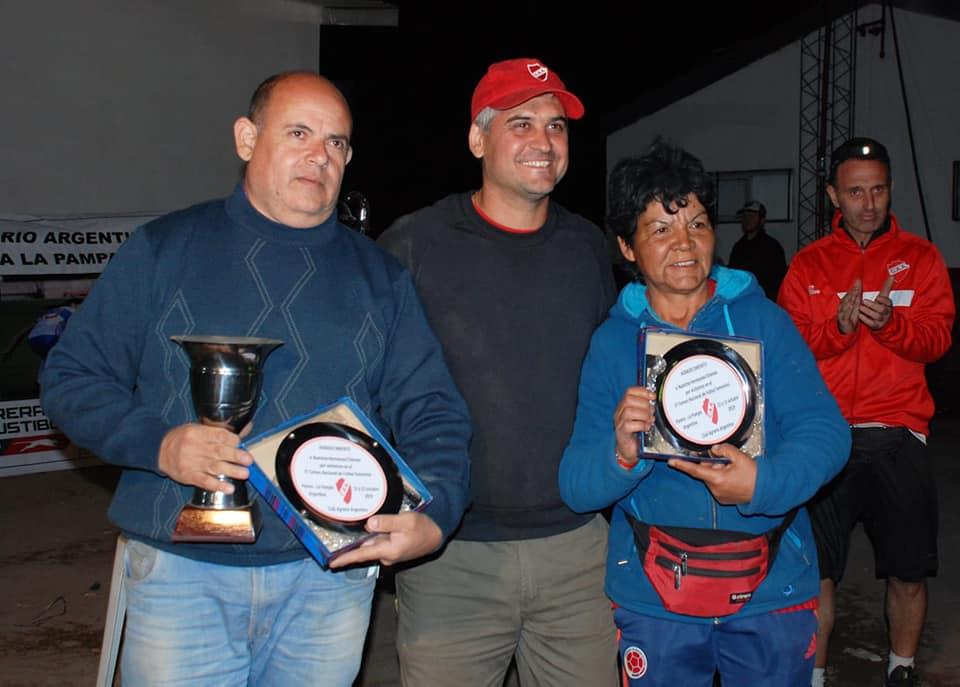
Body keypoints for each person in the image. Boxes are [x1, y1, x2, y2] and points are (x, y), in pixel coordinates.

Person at [38, 71, 472, 686]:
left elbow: (433, 409)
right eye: (299, 132)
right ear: (247, 138)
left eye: (338, 142)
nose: (320, 155)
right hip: (182, 575)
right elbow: (72, 378)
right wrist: (159, 444)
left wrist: (437, 512)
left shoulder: (381, 278)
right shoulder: (163, 250)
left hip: (331, 578)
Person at [558, 136, 850, 687]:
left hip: (773, 588)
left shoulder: (764, 322)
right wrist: (622, 454)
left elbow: (827, 433)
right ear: (626, 247)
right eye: (660, 229)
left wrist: (763, 484)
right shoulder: (613, 343)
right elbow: (575, 485)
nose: (685, 243)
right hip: (654, 596)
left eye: (696, 223)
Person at [377, 57, 620, 686]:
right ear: (478, 139)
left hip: (579, 549)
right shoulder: (413, 245)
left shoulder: (588, 247)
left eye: (557, 125)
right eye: (522, 123)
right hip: (452, 551)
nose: (544, 141)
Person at [777, 136, 955, 687]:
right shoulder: (808, 265)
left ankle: (901, 671)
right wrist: (840, 327)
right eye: (855, 191)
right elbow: (787, 350)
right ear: (834, 194)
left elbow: (938, 339)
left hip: (898, 433)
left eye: (878, 189)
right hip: (824, 437)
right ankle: (816, 674)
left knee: (907, 571)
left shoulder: (922, 260)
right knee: (819, 576)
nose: (868, 202)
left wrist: (890, 324)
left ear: (890, 189)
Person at [727, 199, 788, 300]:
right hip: (741, 301)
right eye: (745, 217)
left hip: (764, 301)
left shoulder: (772, 247)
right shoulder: (739, 247)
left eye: (751, 217)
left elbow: (779, 281)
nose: (747, 220)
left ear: (762, 220)